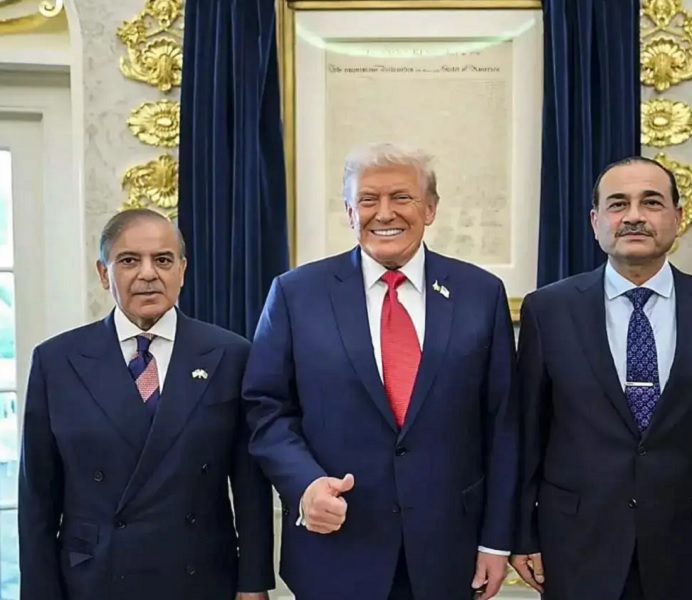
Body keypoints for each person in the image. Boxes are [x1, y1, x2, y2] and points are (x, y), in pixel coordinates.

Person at [243, 143, 518, 600]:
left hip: (449, 550)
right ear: (350, 213)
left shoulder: (481, 294)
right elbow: (264, 409)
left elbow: (503, 422)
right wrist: (304, 484)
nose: (384, 213)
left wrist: (496, 540)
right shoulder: (296, 294)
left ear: (430, 209)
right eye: (368, 200)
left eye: (402, 197)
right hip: (336, 550)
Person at [511, 156, 692, 600]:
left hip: (689, 551)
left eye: (651, 202)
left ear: (677, 217)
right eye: (617, 204)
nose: (633, 216)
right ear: (595, 222)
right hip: (574, 547)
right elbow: (527, 435)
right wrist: (522, 535)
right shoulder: (547, 310)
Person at [18, 209, 274, 600]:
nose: (148, 273)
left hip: (201, 577)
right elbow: (37, 496)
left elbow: (250, 485)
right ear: (104, 273)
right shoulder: (56, 361)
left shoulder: (231, 355)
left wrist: (253, 584)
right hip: (94, 579)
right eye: (129, 260)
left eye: (163, 260)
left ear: (182, 271)